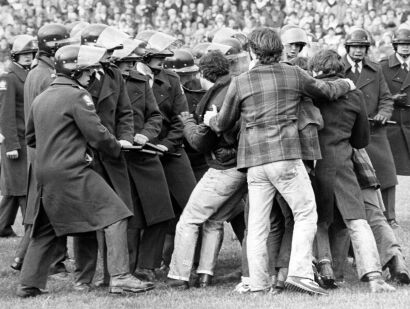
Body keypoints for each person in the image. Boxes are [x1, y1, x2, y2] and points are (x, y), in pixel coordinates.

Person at [205, 27, 355, 295]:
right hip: (285, 156)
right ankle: (300, 273)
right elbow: (326, 90)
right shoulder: (294, 73)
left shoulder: (241, 81)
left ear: (253, 52)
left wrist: (209, 120)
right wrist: (347, 83)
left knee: (258, 225)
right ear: (281, 49)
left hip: (253, 160)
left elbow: (224, 123)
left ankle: (256, 282)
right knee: (306, 212)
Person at [17, 44, 153, 297]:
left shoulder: (42, 97)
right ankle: (121, 277)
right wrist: (117, 146)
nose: (92, 75)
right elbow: (98, 135)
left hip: (46, 172)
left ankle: (28, 284)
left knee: (45, 228)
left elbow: (32, 138)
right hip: (74, 169)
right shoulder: (78, 96)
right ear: (74, 71)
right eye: (87, 71)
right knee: (116, 214)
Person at [309, 49, 394, 293]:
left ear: (316, 68)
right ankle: (374, 276)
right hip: (343, 163)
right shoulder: (354, 95)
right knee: (356, 221)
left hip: (315, 164)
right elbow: (361, 140)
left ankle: (328, 273)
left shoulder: (311, 93)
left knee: (321, 222)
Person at [166, 50, 247, 289]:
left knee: (189, 220)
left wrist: (188, 123)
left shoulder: (217, 97)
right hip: (243, 165)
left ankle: (178, 276)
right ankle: (204, 274)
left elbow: (202, 141)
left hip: (224, 167)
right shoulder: (234, 85)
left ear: (203, 72)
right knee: (215, 219)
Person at [73, 24, 136, 291]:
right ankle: (83, 277)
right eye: (108, 51)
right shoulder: (75, 76)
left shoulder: (113, 75)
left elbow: (125, 113)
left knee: (118, 213)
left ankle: (115, 276)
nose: (112, 57)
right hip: (85, 157)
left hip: (113, 154)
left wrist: (125, 140)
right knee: (86, 220)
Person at [111, 39, 175, 281]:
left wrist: (145, 135)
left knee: (160, 212)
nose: (130, 66)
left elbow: (155, 116)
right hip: (119, 157)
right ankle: (124, 269)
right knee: (129, 218)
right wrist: (122, 139)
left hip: (146, 155)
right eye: (125, 62)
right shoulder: (103, 85)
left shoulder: (140, 82)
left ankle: (147, 266)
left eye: (132, 62)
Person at [16, 23, 71, 276]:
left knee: (40, 208)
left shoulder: (37, 72)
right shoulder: (45, 76)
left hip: (41, 147)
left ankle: (24, 259)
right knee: (44, 208)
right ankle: (38, 260)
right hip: (47, 147)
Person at [138, 31, 197, 270]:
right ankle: (145, 266)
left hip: (171, 152)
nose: (163, 60)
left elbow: (180, 118)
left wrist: (167, 144)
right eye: (158, 56)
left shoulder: (171, 79)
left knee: (192, 206)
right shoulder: (128, 80)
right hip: (142, 153)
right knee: (155, 213)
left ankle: (189, 263)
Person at [341, 28, 397, 228]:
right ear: (348, 47)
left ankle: (390, 217)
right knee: (351, 175)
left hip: (374, 129)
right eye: (355, 46)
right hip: (347, 131)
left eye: (362, 47)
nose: (358, 51)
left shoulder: (375, 69)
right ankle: (357, 215)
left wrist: (384, 113)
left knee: (387, 172)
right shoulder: (338, 68)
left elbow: (386, 98)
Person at [0, 35, 36, 237]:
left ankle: (2, 227)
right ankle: (31, 232)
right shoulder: (9, 77)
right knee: (22, 188)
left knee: (15, 188)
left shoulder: (27, 74)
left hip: (26, 138)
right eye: (23, 54)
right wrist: (11, 145)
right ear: (15, 55)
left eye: (30, 53)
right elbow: (5, 114)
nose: (28, 57)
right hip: (16, 140)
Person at [380, 29, 410, 178]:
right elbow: (377, 95)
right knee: (393, 173)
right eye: (401, 44)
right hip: (392, 125)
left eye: (408, 44)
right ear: (395, 45)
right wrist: (392, 98)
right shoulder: (383, 67)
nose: (405, 47)